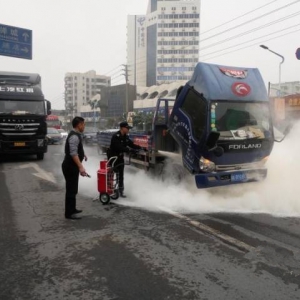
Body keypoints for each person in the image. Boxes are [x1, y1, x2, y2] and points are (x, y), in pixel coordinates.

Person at [108, 121, 146, 198]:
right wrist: (129, 150)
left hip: (120, 158)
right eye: (127, 128)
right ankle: (109, 189)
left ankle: (120, 191)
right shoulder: (116, 136)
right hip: (113, 158)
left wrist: (141, 148)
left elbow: (131, 144)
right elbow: (119, 147)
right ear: (122, 128)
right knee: (112, 174)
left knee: (121, 175)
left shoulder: (125, 137)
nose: (128, 129)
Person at [62, 116, 88, 220]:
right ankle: (69, 213)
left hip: (72, 166)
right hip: (70, 167)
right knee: (71, 190)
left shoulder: (76, 135)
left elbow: (77, 148)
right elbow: (73, 153)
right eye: (83, 124)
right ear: (79, 125)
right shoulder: (74, 136)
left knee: (73, 189)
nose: (84, 126)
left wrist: (83, 154)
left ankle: (72, 209)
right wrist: (81, 167)